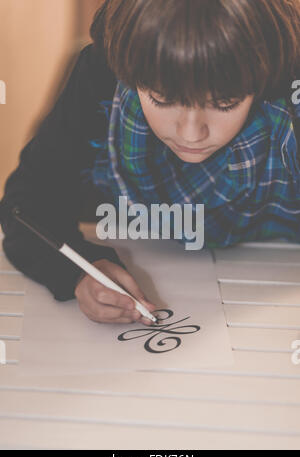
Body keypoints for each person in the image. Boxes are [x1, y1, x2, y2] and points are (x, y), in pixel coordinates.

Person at [0, 0, 300, 325]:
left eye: (224, 102)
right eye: (163, 98)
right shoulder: (102, 76)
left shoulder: (289, 88)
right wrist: (78, 272)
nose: (191, 133)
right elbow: (26, 207)